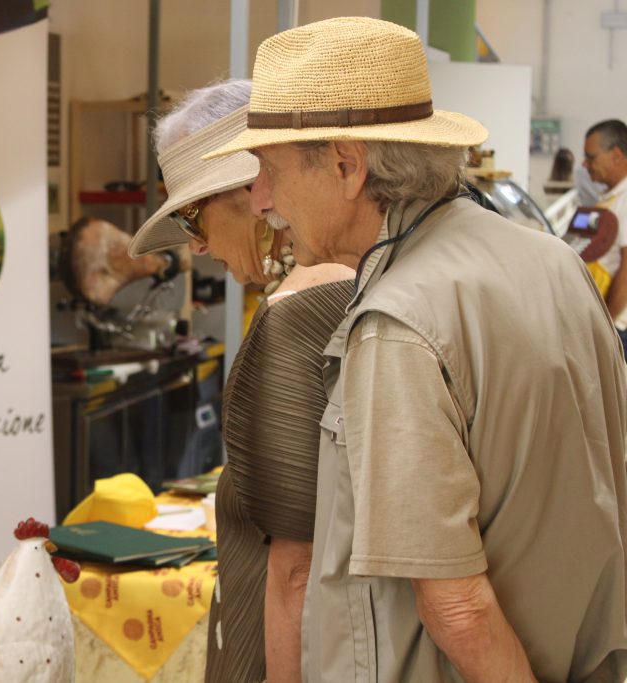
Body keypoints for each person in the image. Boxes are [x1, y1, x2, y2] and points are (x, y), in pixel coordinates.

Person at [209, 17, 627, 682]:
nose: (260, 200)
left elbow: (458, 609)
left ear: (347, 166)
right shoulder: (550, 261)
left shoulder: (397, 323)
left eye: (269, 170)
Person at [128, 80, 354, 683]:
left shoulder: (297, 310)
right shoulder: (362, 278)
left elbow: (295, 566)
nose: (197, 243)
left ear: (252, 190)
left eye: (191, 214)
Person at [584, 119, 627, 350]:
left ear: (617, 155)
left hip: (617, 327)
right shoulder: (609, 198)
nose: (585, 164)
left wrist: (607, 329)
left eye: (591, 158)